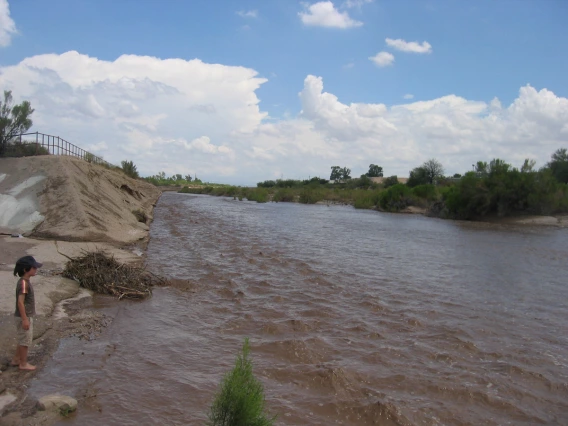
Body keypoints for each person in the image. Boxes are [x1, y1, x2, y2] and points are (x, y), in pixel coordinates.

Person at [11, 256, 43, 371]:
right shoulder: (23, 284)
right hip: (24, 316)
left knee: (22, 338)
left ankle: (16, 359)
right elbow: (20, 302)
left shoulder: (25, 282)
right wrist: (25, 319)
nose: (36, 270)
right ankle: (23, 363)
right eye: (34, 268)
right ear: (25, 270)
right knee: (25, 341)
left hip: (24, 316)